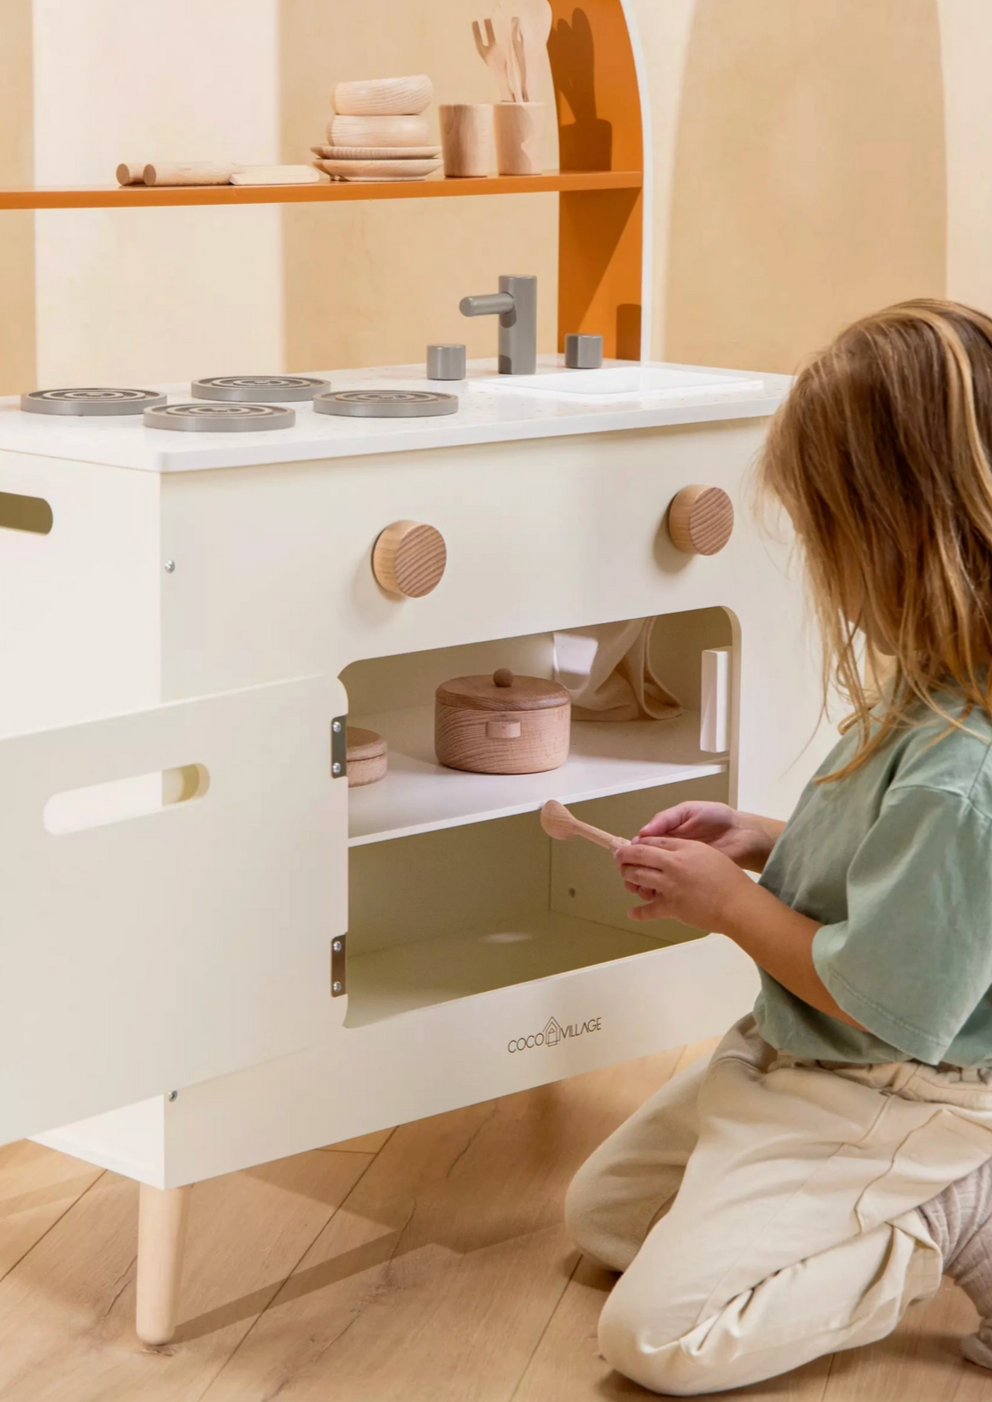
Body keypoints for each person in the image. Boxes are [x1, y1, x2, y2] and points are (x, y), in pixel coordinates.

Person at [565, 300, 992, 1395]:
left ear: (901, 538)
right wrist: (763, 839)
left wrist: (725, 904)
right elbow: (890, 862)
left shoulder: (967, 772)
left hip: (895, 1083)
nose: (819, 569)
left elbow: (888, 1001)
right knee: (603, 1221)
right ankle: (839, 1191)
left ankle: (946, 1211)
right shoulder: (934, 676)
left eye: (824, 540)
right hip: (794, 1053)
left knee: (656, 1337)